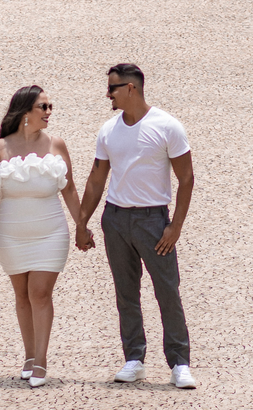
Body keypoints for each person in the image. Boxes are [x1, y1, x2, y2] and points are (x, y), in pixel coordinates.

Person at [79, 62, 196, 390]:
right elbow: (96, 178)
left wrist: (176, 226)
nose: (108, 94)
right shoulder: (108, 130)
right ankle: (134, 358)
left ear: (130, 88)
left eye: (112, 88)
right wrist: (82, 222)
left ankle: (180, 363)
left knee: (167, 290)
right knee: (125, 292)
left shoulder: (167, 126)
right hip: (115, 219)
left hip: (152, 220)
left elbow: (186, 178)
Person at [0, 84, 92, 386]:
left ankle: (41, 360)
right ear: (25, 110)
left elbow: (68, 188)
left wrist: (81, 225)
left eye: (50, 107)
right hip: (10, 234)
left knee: (40, 293)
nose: (49, 112)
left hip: (51, 232)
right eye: (43, 107)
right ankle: (29, 355)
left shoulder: (57, 144)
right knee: (22, 294)